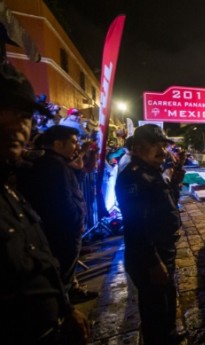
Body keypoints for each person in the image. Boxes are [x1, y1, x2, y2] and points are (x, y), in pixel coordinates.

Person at [0, 63, 89, 344]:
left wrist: (64, 309)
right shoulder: (49, 167)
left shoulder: (8, 190)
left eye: (25, 115)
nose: (18, 125)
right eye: (6, 111)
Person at [116, 124, 183, 344]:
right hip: (150, 257)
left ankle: (169, 335)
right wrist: (153, 262)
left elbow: (169, 201)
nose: (162, 151)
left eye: (163, 145)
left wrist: (177, 176)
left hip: (164, 249)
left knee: (167, 299)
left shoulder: (152, 171)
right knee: (155, 309)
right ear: (137, 148)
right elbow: (136, 225)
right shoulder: (133, 177)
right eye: (154, 145)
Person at [18, 125, 98, 303]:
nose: (77, 147)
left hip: (59, 227)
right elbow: (62, 200)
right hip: (64, 229)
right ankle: (64, 304)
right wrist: (76, 221)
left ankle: (68, 294)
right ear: (58, 144)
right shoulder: (54, 166)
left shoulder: (54, 162)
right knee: (63, 267)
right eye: (73, 142)